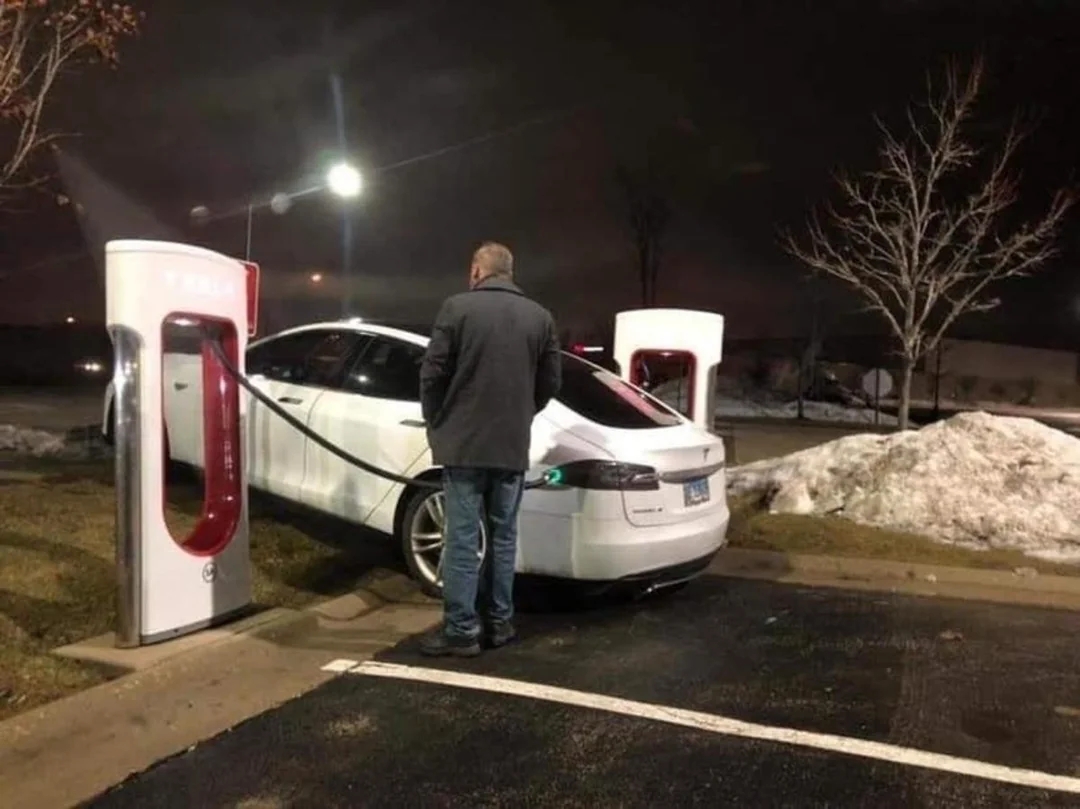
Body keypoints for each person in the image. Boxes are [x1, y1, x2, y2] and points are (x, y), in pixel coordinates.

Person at [418, 241, 562, 657]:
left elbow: (432, 374)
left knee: (462, 538)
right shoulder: (541, 318)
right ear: (510, 273)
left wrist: (438, 420)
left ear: (477, 271)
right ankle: (499, 623)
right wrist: (522, 412)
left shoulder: (456, 308)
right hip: (511, 446)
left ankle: (461, 630)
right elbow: (551, 382)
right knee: (503, 537)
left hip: (463, 446)